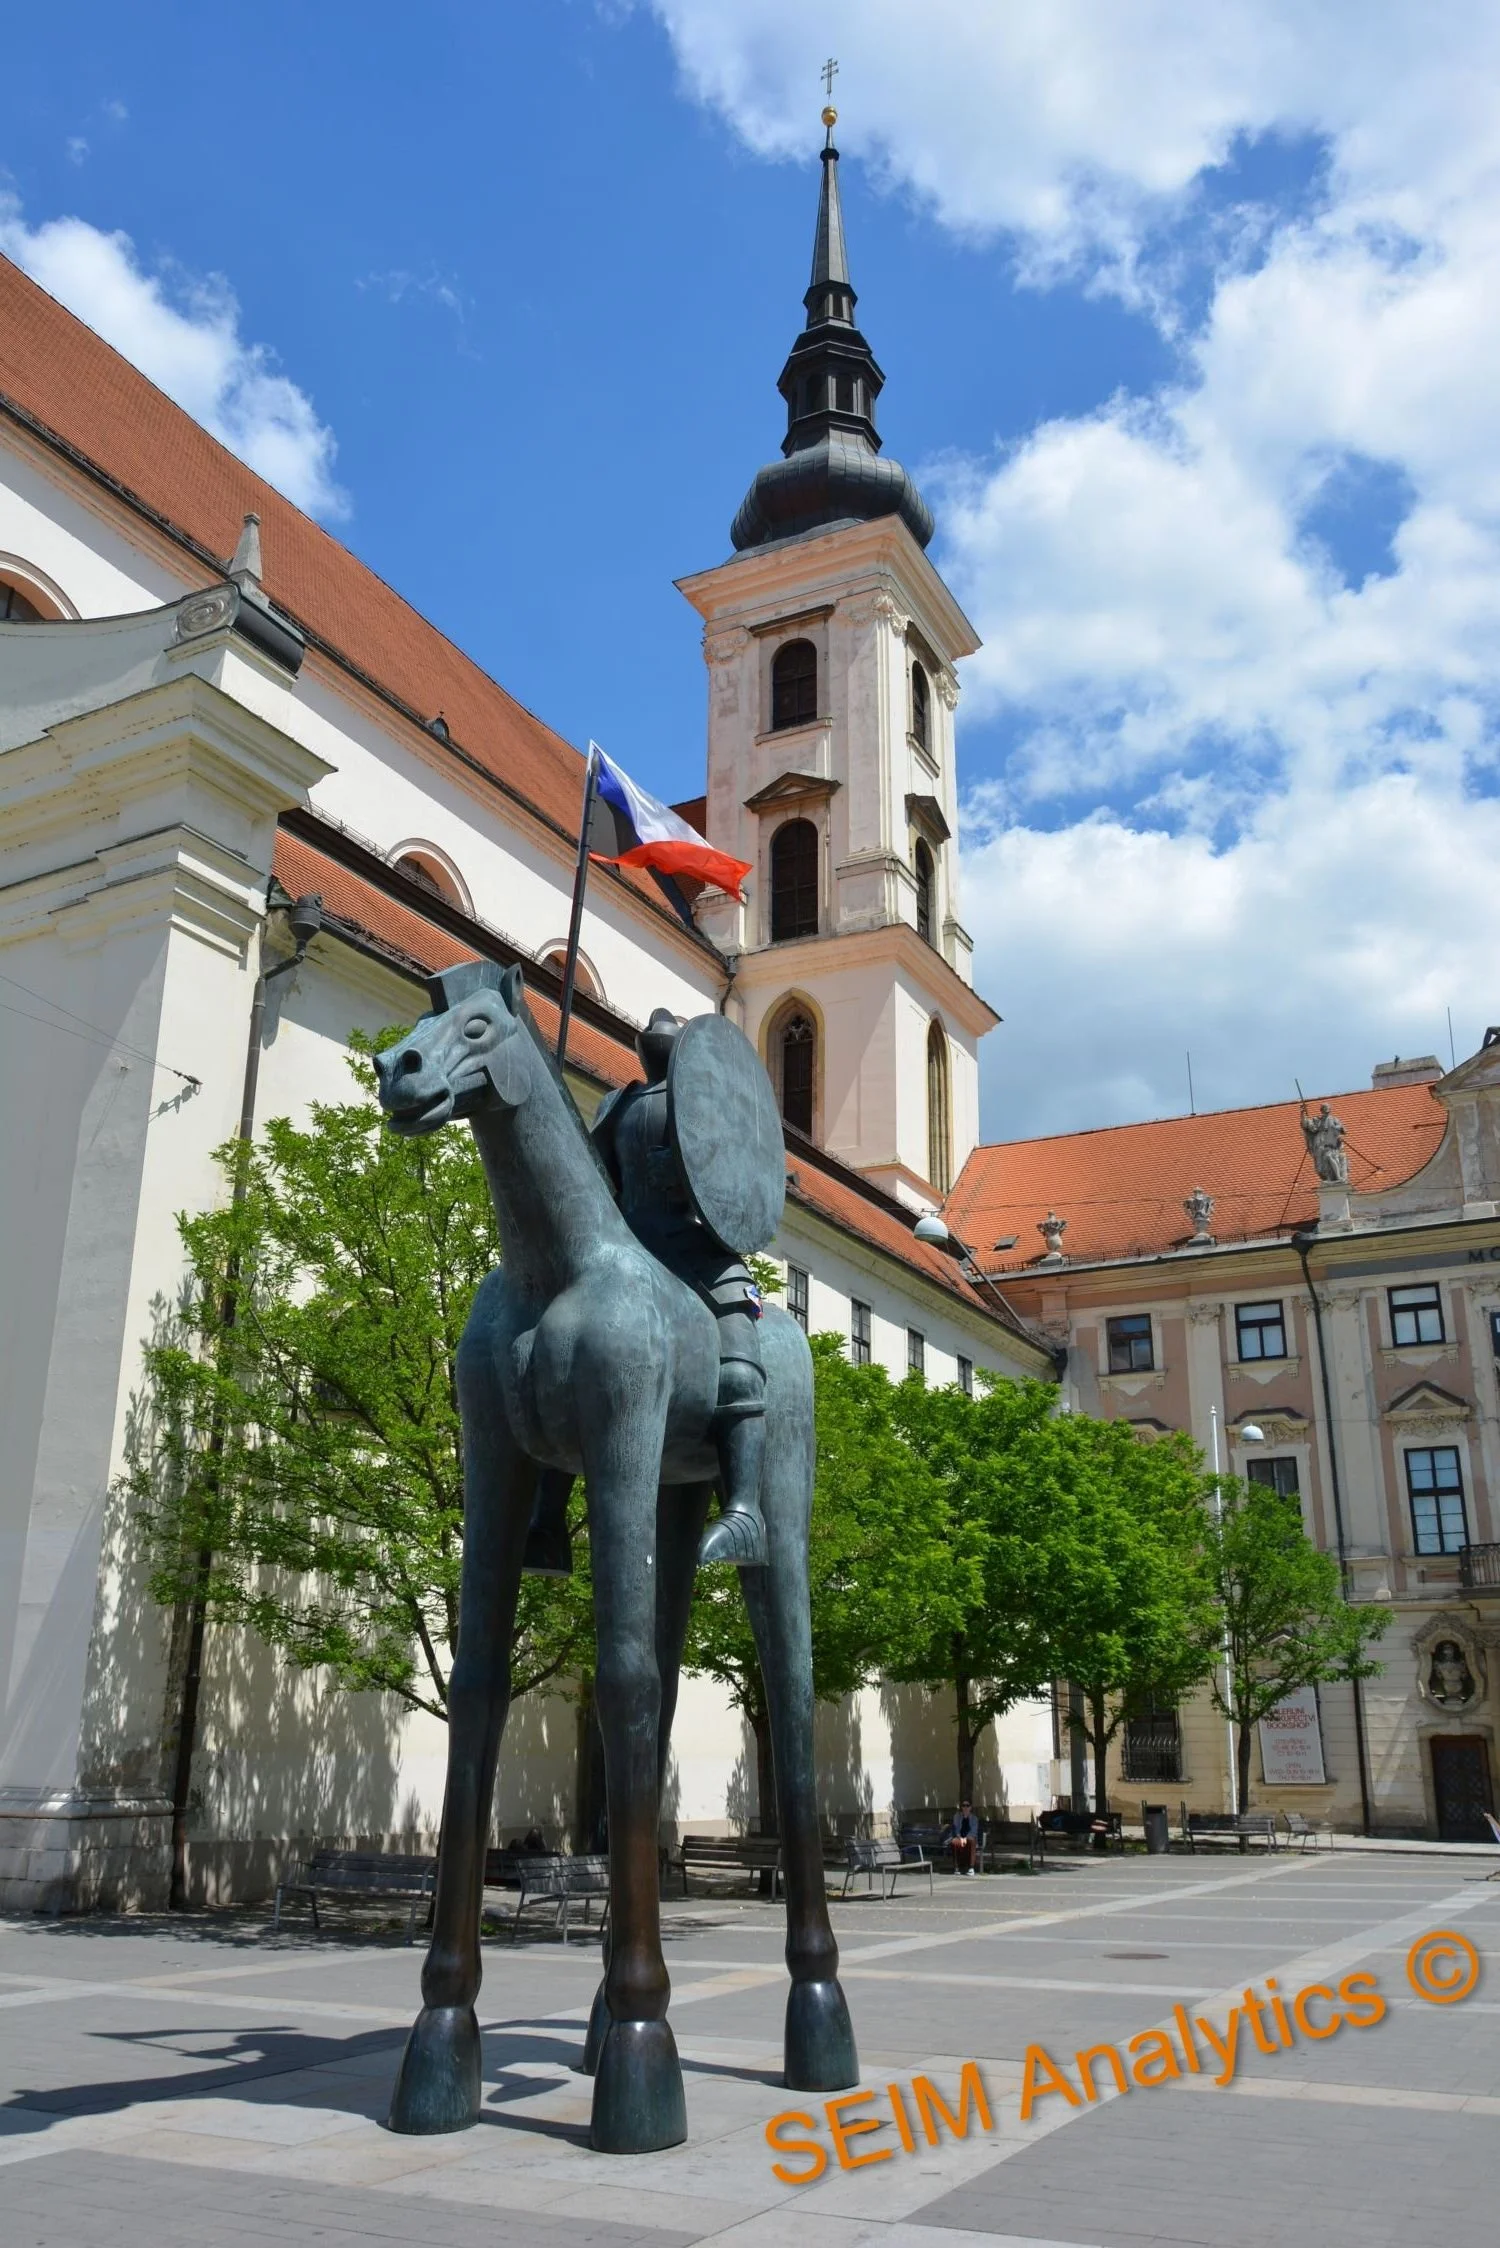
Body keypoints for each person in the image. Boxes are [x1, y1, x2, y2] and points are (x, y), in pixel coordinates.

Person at [592, 1009, 768, 1568]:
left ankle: (745, 1510)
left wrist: (689, 1171)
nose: (654, 1049)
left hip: (692, 1244)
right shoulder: (614, 1104)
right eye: (649, 1042)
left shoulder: (705, 1103)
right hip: (626, 1243)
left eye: (663, 1043)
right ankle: (544, 1509)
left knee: (738, 1362)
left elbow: (733, 1177)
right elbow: (596, 1177)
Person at [947, 1800, 981, 1877]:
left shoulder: (974, 1818)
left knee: (971, 1841)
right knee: (954, 1842)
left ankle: (971, 1868)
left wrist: (965, 1838)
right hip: (959, 1838)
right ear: (961, 1807)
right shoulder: (957, 1816)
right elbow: (956, 1829)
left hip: (970, 1838)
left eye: (967, 1805)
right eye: (963, 1805)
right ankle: (956, 1867)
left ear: (970, 1808)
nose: (965, 1807)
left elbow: (974, 1831)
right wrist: (960, 1837)